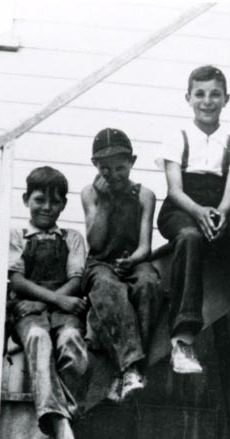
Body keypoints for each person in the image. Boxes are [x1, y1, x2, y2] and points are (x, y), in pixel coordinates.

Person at [155, 64, 230, 376]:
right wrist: (199, 212)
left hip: (222, 206)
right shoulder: (177, 137)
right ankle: (183, 338)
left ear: (226, 99)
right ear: (188, 98)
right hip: (183, 207)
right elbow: (175, 190)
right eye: (200, 94)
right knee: (190, 237)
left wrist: (219, 213)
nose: (207, 101)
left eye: (215, 94)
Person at [8, 166, 88, 439]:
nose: (46, 207)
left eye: (54, 202)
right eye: (39, 200)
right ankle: (63, 425)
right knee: (40, 339)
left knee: (71, 341)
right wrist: (54, 301)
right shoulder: (17, 236)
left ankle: (56, 427)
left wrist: (47, 303)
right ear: (26, 199)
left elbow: (77, 279)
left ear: (64, 204)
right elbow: (17, 281)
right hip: (30, 315)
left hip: (63, 312)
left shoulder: (72, 238)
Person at [81, 127, 163, 402]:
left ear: (132, 162)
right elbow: (95, 242)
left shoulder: (145, 195)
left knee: (149, 283)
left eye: (120, 168)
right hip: (101, 263)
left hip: (133, 259)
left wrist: (133, 261)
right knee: (107, 286)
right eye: (105, 169)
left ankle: (128, 371)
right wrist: (103, 202)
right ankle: (130, 367)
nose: (113, 175)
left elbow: (145, 246)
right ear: (95, 166)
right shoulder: (89, 194)